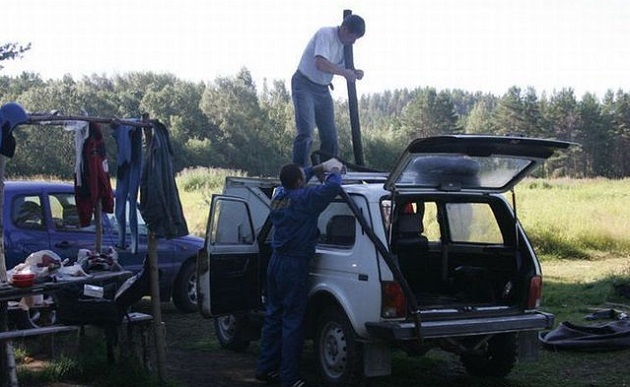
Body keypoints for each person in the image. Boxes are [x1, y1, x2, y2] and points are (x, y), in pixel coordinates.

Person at [256, 158, 344, 387]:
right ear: (298, 182)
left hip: (275, 262)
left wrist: (317, 168)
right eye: (303, 178)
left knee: (273, 316)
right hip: (294, 265)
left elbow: (296, 176)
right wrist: (334, 170)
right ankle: (290, 377)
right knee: (293, 321)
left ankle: (265, 368)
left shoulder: (278, 196)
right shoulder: (305, 199)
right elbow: (333, 188)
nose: (305, 179)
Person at [291, 14, 366, 166]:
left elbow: (343, 67)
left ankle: (327, 173)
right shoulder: (326, 34)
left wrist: (355, 72)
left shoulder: (345, 47)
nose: (354, 42)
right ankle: (298, 174)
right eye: (353, 37)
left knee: (330, 138)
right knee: (306, 133)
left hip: (323, 90)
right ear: (344, 29)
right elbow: (320, 63)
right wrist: (345, 73)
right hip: (304, 85)